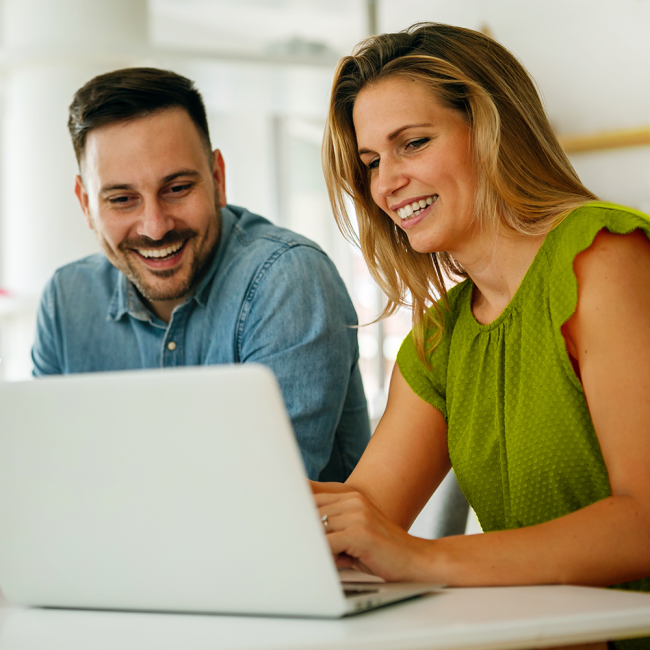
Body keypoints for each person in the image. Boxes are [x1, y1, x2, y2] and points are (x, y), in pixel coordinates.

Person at [315, 22, 650, 649]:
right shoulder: (441, 337)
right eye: (371, 162)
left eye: (412, 144)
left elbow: (645, 523)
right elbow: (363, 521)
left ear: (493, 130)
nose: (386, 183)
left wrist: (427, 559)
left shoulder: (604, 258)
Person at [32, 67, 370, 482]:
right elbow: (41, 473)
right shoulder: (66, 301)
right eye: (122, 199)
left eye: (176, 188)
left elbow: (260, 500)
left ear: (217, 179)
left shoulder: (287, 280)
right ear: (86, 204)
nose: (155, 227)